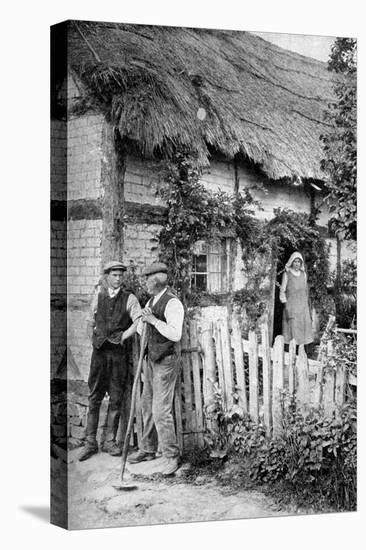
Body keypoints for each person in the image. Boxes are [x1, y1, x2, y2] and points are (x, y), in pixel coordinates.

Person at [79, 261, 142, 461]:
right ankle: (90, 443)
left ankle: (110, 442)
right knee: (94, 397)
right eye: (114, 275)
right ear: (107, 276)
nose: (117, 279)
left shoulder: (129, 298)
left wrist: (124, 336)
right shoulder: (98, 296)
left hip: (118, 355)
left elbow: (139, 320)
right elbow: (89, 321)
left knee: (116, 397)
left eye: (120, 276)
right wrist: (93, 338)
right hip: (99, 354)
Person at [128, 262, 184, 476]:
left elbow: (175, 334)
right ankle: (148, 449)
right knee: (146, 405)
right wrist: (143, 321)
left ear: (155, 281)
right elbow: (145, 331)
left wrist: (153, 320)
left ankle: (171, 456)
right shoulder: (152, 301)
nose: (144, 283)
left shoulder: (173, 304)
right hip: (151, 360)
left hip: (167, 361)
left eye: (146, 279)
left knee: (161, 409)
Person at [279, 251, 313, 346]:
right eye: (295, 261)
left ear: (301, 263)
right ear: (291, 262)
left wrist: (306, 305)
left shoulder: (304, 274)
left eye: (299, 262)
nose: (297, 264)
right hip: (292, 306)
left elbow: (305, 290)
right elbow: (282, 291)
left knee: (303, 330)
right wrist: (286, 304)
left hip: (302, 307)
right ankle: (292, 352)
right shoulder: (287, 275)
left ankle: (302, 352)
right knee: (292, 331)